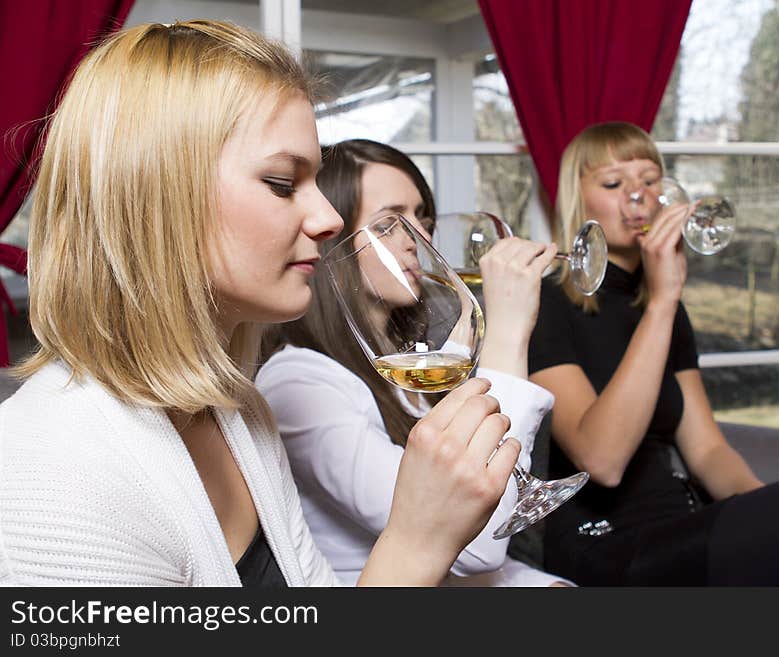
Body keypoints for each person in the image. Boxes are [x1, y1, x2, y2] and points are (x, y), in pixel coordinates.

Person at [0, 21, 521, 587]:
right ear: (153, 196)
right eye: (280, 182)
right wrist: (417, 542)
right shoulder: (52, 470)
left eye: (315, 181)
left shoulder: (239, 412)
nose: (327, 220)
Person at [528, 120, 779, 586]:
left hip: (690, 525)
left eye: (650, 180)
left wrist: (774, 511)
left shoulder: (663, 306)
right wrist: (663, 301)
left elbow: (708, 450)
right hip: (611, 548)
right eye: (613, 183)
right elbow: (603, 461)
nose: (638, 195)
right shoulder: (547, 303)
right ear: (578, 198)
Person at [256, 138, 570, 586]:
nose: (418, 239)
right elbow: (475, 546)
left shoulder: (415, 361)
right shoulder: (299, 385)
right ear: (331, 241)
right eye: (388, 225)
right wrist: (508, 330)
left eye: (420, 218)